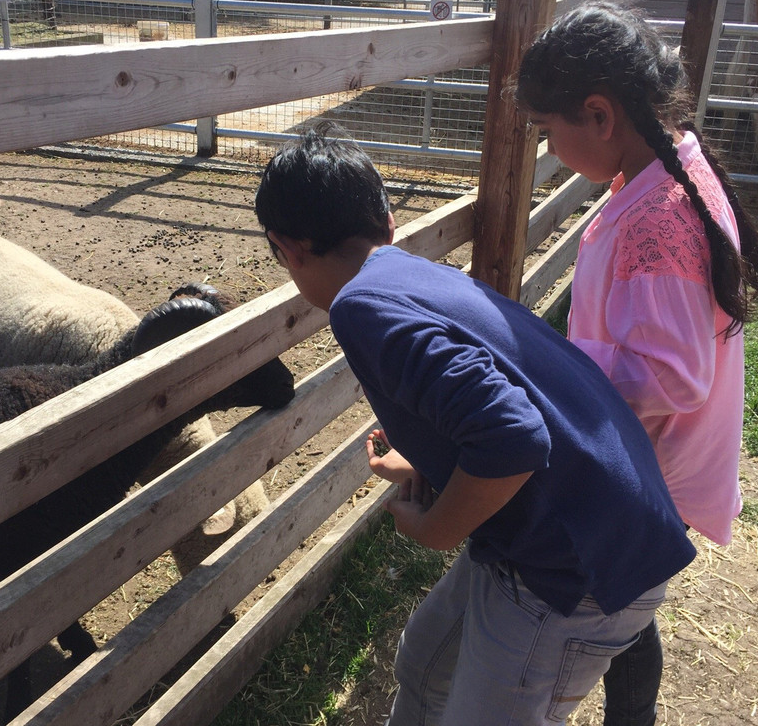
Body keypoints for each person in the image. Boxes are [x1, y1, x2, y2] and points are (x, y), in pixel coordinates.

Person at [254, 122, 697, 726]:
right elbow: (497, 407)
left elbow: (513, 435)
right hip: (576, 526)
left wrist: (437, 528)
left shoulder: (358, 307)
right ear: (386, 222)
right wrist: (426, 462)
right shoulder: (409, 273)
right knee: (425, 662)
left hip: (573, 573)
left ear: (288, 247)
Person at [515, 1, 758, 726]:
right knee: (628, 599)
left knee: (616, 598)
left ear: (599, 115)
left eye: (547, 132)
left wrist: (555, 373)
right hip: (650, 454)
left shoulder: (660, 216)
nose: (549, 148)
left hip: (648, 461)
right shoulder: (669, 165)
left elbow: (668, 374)